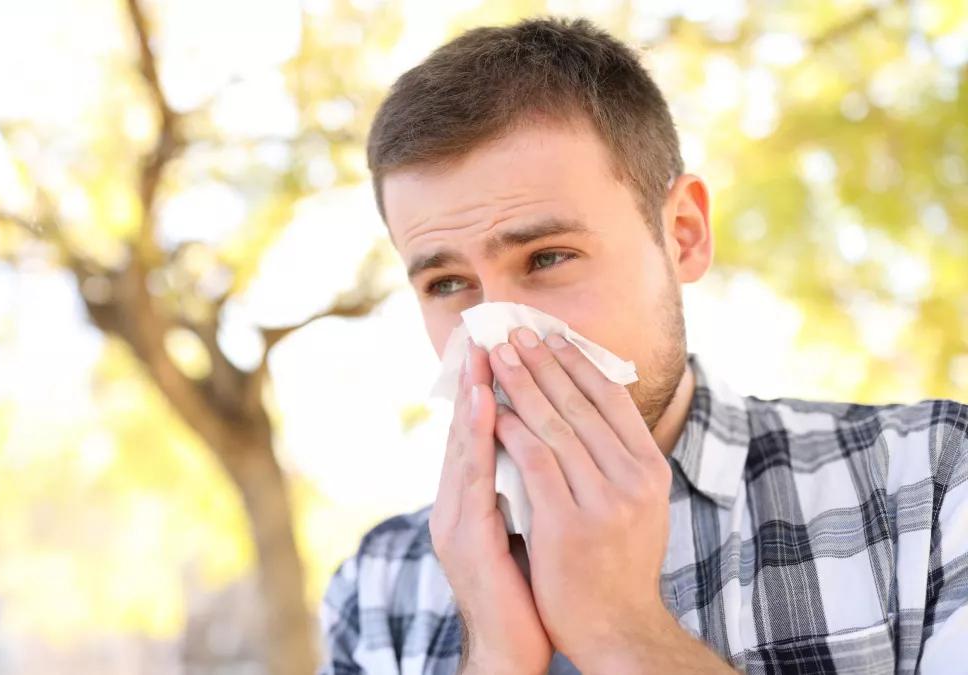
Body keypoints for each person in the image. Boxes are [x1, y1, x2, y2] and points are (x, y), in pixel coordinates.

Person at [316, 16, 968, 675]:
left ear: (683, 234)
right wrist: (493, 656)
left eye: (547, 257)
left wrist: (622, 631)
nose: (501, 333)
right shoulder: (375, 588)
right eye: (447, 281)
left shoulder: (931, 485)